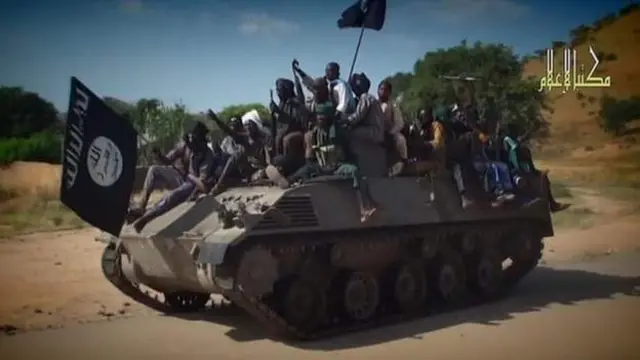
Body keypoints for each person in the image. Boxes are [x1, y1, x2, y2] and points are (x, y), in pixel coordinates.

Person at [276, 102, 377, 222]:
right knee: (305, 170)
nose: (320, 119)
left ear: (329, 117)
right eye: (318, 116)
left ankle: (364, 208)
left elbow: (348, 151)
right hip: (321, 166)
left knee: (355, 172)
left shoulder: (339, 132)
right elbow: (310, 156)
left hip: (338, 166)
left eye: (322, 117)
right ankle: (285, 181)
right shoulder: (314, 133)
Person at [131, 121, 216, 232]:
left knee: (172, 195)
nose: (190, 143)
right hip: (181, 177)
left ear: (200, 139)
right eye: (188, 139)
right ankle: (142, 207)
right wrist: (159, 155)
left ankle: (146, 218)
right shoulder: (185, 146)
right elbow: (167, 161)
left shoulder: (207, 154)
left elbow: (202, 184)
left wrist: (188, 175)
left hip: (193, 184)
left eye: (193, 140)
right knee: (153, 170)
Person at [345, 73, 387, 177]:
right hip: (374, 130)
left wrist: (345, 121)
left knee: (350, 133)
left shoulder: (365, 97)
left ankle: (352, 160)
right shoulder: (368, 98)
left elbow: (358, 116)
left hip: (374, 132)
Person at [269, 78, 306, 175]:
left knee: (287, 140)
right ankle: (279, 166)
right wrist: (274, 113)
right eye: (277, 90)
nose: (278, 92)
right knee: (276, 139)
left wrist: (279, 113)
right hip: (284, 132)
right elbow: (278, 123)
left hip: (299, 132)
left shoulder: (295, 102)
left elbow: (295, 121)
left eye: (279, 89)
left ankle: (289, 168)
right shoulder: (282, 103)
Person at [377, 80, 408, 176]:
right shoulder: (373, 104)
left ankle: (404, 161)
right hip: (376, 131)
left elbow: (399, 123)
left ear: (389, 92)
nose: (383, 92)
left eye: (385, 90)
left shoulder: (393, 105)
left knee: (401, 140)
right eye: (381, 89)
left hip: (390, 132)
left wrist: (390, 133)